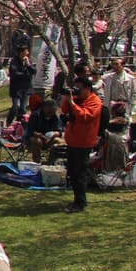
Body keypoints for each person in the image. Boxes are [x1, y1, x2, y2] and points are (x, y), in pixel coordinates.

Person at [59, 76, 102, 213]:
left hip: (84, 142)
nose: (77, 91)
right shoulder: (77, 99)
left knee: (80, 173)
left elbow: (86, 116)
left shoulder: (95, 101)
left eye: (79, 88)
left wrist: (73, 103)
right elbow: (64, 110)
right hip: (73, 140)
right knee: (72, 171)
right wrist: (67, 98)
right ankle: (77, 198)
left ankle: (80, 202)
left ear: (88, 88)